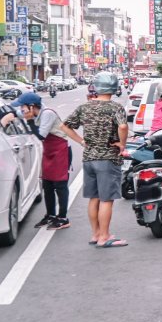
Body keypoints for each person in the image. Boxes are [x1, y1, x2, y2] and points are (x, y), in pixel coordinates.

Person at [61, 71, 129, 248]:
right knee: (107, 199)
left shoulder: (85, 107)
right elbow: (122, 126)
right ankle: (104, 237)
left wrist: (81, 141)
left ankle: (95, 234)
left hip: (89, 159)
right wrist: (122, 144)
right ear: (114, 87)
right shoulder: (115, 107)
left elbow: (64, 126)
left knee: (94, 197)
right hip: (108, 159)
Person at [13, 93, 73, 230]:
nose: (21, 109)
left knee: (60, 185)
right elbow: (15, 112)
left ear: (32, 106)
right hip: (49, 151)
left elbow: (41, 135)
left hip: (61, 150)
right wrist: (9, 113)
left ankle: (63, 218)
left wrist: (28, 121)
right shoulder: (31, 112)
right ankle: (51, 215)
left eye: (23, 106)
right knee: (47, 184)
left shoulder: (48, 114)